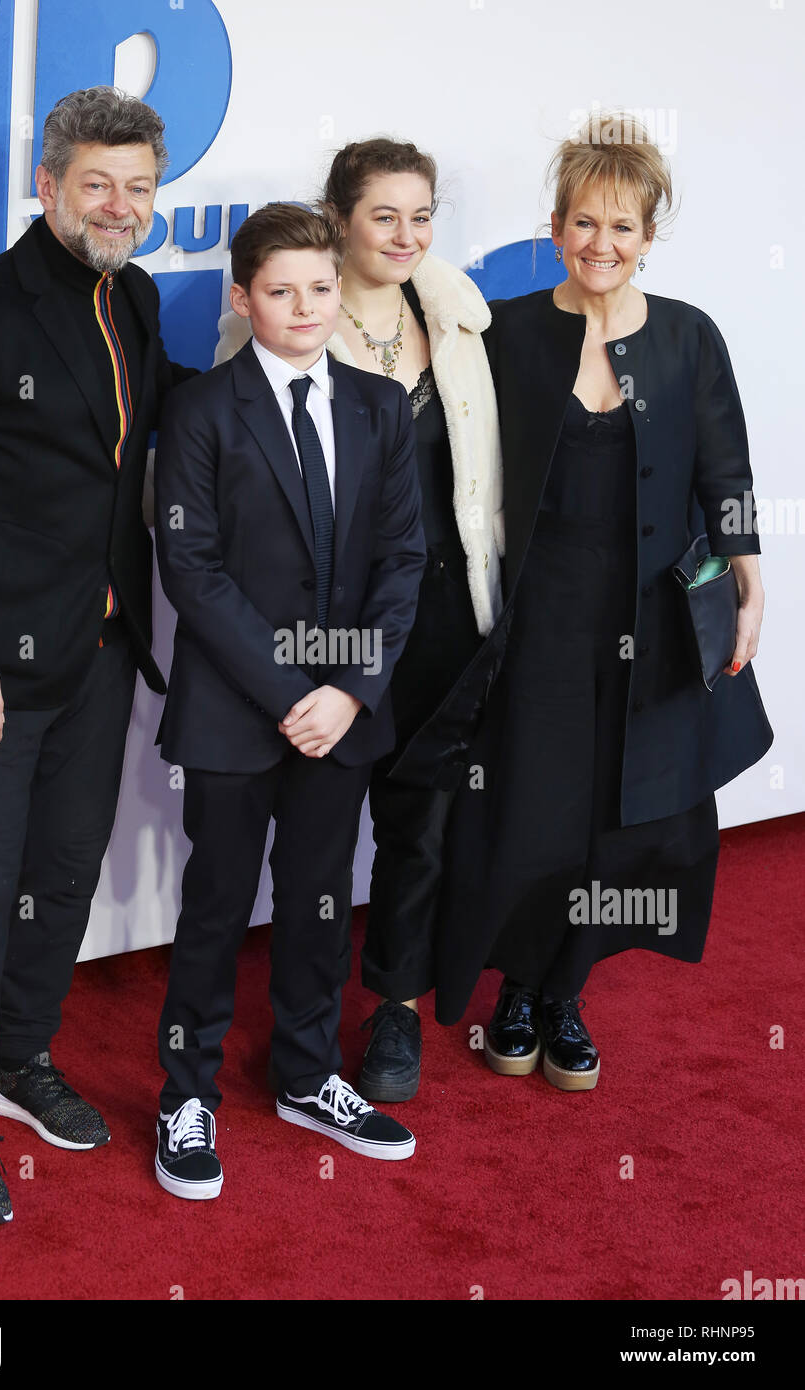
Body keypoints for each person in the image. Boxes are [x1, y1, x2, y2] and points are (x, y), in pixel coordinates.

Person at [393, 111, 773, 1089]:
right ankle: (515, 983)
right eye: (583, 224)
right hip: (540, 620)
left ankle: (565, 995)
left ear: (650, 236)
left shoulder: (690, 339)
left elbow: (725, 471)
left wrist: (749, 581)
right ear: (555, 226)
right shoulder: (510, 331)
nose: (601, 245)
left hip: (653, 621)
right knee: (531, 807)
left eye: (622, 228)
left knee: (626, 813)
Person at [0, 86, 198, 1224]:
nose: (119, 206)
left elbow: (151, 429)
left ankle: (24, 1059)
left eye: (139, 190)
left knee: (60, 876)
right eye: (98, 185)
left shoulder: (140, 297)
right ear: (48, 184)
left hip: (103, 648)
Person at [214, 139, 503, 1101]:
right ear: (339, 218)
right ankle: (288, 1040)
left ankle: (394, 1012)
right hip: (318, 639)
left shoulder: (459, 316)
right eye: (385, 215)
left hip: (439, 617)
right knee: (317, 837)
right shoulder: (284, 319)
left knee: (422, 826)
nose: (406, 235)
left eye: (422, 216)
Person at [152, 203, 426, 1199]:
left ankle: (308, 1075)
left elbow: (404, 559)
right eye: (280, 290)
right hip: (235, 711)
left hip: (344, 716)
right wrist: (288, 692)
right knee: (216, 907)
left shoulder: (380, 406)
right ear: (243, 297)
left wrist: (347, 692)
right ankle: (186, 1092)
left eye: (320, 287)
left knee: (319, 905)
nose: (304, 306)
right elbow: (190, 566)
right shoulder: (200, 412)